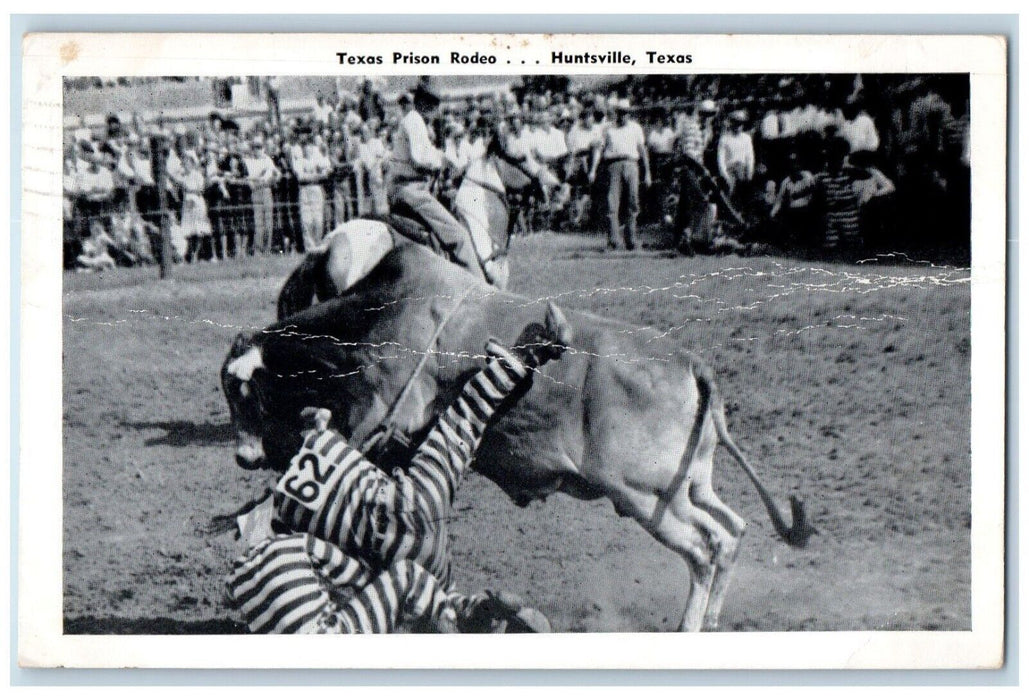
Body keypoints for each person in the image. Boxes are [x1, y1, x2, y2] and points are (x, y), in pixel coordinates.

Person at [226, 306, 570, 633]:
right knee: (462, 421)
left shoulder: (283, 506)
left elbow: (279, 546)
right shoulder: (321, 433)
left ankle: (470, 609)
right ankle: (529, 354)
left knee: (429, 589)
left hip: (386, 547)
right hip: (415, 497)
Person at [386, 82, 482, 278]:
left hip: (409, 188)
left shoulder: (415, 121)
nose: (436, 110)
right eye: (433, 104)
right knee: (459, 236)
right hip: (411, 190)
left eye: (436, 104)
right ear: (422, 102)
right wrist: (443, 160)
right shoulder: (414, 122)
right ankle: (481, 288)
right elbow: (420, 158)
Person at [590, 98, 651, 251]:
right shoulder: (607, 128)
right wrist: (593, 169)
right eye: (620, 113)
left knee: (632, 202)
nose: (623, 116)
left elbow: (642, 150)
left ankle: (631, 239)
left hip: (631, 164)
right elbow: (598, 150)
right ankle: (613, 241)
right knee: (612, 203)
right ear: (615, 113)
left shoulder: (636, 128)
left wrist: (647, 172)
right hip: (613, 165)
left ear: (629, 114)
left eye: (626, 113)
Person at [673, 99, 718, 255]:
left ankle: (682, 240)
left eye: (711, 115)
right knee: (702, 204)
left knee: (685, 206)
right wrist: (702, 170)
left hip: (694, 169)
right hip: (689, 169)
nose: (709, 117)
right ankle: (701, 241)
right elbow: (688, 154)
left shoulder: (703, 128)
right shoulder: (691, 127)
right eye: (707, 114)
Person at [245, 137, 281, 254]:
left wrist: (273, 179)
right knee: (258, 222)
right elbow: (251, 180)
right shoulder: (249, 161)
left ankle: (268, 248)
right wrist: (261, 176)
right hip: (256, 191)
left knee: (268, 221)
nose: (257, 150)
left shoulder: (268, 160)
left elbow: (277, 173)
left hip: (266, 190)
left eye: (259, 147)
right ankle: (258, 249)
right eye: (255, 148)